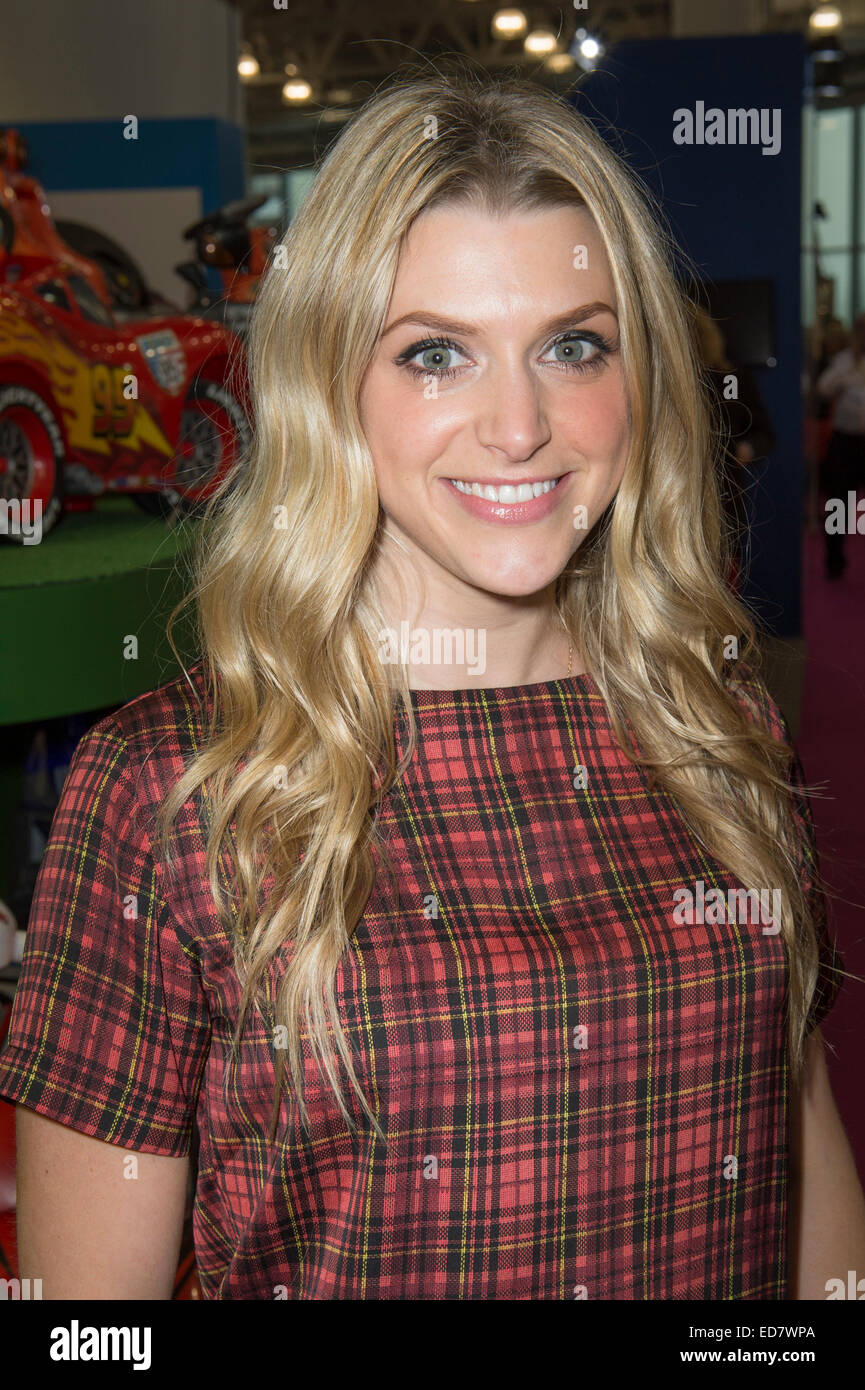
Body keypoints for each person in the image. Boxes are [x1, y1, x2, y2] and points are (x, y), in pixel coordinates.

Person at [1, 66, 863, 1302]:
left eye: (573, 346)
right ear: (330, 385)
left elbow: (801, 1135)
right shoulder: (176, 788)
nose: (517, 425)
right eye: (435, 354)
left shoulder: (716, 721)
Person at [692, 307, 775, 592]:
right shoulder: (658, 382)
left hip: (723, 505)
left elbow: (764, 433)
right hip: (673, 508)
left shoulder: (733, 379)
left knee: (724, 596)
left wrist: (746, 450)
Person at [816, 311, 865, 578]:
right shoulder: (844, 360)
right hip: (845, 441)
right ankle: (834, 560)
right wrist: (845, 376)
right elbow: (823, 388)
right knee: (839, 505)